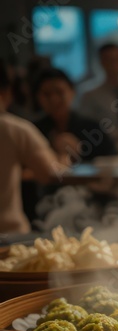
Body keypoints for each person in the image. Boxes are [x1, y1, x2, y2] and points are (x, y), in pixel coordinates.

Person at [0, 61, 61, 234]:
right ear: (7, 92)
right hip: (7, 234)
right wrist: (64, 155)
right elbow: (50, 173)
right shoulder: (14, 128)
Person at [32, 68, 118, 163]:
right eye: (47, 94)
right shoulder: (33, 130)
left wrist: (80, 152)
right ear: (38, 97)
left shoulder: (93, 128)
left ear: (72, 92)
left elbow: (112, 161)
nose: (54, 99)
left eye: (59, 92)